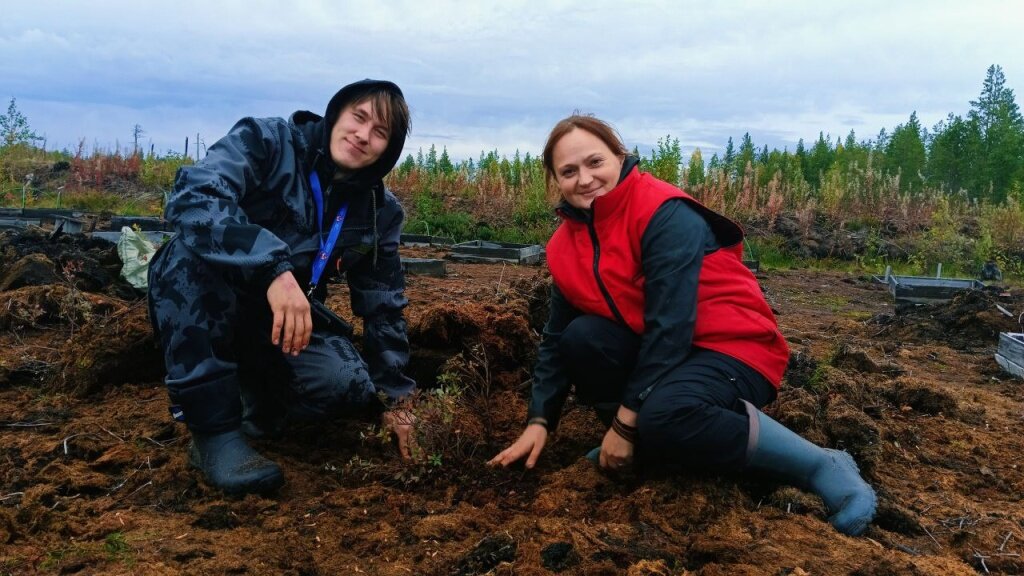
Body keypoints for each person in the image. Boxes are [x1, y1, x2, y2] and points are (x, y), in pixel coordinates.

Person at [489, 114, 877, 536]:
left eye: (594, 162)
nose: (584, 178)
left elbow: (670, 326)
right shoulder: (564, 246)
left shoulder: (662, 211)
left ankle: (819, 462)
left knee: (666, 414)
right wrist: (539, 421)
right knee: (583, 339)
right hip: (668, 356)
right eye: (568, 171)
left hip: (734, 347)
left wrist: (624, 423)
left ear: (619, 157)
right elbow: (556, 337)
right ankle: (650, 441)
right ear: (555, 181)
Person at [148, 79, 417, 495]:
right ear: (336, 114)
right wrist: (271, 268)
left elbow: (384, 305)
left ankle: (256, 400)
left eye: (380, 133)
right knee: (185, 259)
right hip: (214, 298)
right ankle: (213, 436)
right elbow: (194, 195)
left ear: (389, 150)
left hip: (284, 321)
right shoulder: (267, 141)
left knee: (345, 383)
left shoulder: (379, 210)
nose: (363, 135)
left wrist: (397, 401)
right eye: (358, 117)